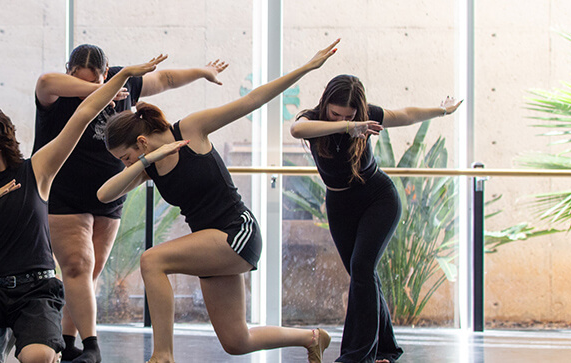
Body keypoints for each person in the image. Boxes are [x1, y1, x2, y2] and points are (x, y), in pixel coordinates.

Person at [97, 40, 341, 363]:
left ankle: (163, 356)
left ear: (140, 140)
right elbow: (104, 194)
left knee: (152, 261)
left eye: (127, 157)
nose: (127, 164)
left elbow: (252, 100)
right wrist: (144, 162)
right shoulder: (149, 164)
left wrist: (306, 68)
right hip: (210, 245)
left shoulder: (192, 129)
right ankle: (311, 338)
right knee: (236, 340)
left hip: (236, 232)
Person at [0, 56, 166, 363]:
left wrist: (122, 74)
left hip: (36, 293)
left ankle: (41, 341)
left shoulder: (37, 171)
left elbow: (83, 114)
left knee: (37, 359)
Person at [34, 44, 227, 363]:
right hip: (63, 193)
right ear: (69, 72)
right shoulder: (57, 91)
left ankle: (68, 341)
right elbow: (44, 82)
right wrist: (101, 89)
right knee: (76, 266)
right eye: (80, 80)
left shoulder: (125, 86)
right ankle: (92, 346)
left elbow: (165, 78)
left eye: (96, 79)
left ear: (106, 71)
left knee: (88, 273)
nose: (88, 90)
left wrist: (203, 72)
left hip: (109, 193)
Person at [290, 74, 462, 363]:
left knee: (362, 267)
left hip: (377, 197)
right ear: (326, 105)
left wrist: (441, 110)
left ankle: (357, 357)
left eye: (350, 114)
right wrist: (349, 125)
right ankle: (385, 350)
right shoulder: (313, 120)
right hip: (340, 204)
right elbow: (297, 130)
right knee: (363, 276)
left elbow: (405, 115)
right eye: (335, 113)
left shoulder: (368, 116)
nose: (342, 117)